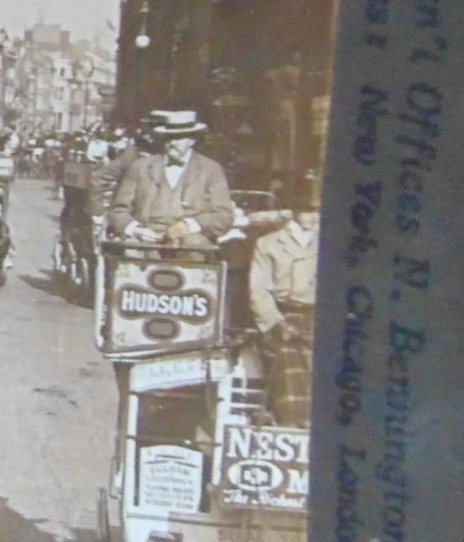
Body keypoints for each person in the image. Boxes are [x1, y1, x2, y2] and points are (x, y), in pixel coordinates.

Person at [248, 172, 322, 427]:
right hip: (281, 317)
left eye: (318, 211)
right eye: (308, 211)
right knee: (287, 356)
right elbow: (258, 291)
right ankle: (295, 423)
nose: (314, 217)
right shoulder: (268, 244)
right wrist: (276, 323)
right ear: (294, 211)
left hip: (316, 317)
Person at [107, 111, 235, 249]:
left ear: (192, 140)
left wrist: (188, 226)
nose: (173, 143)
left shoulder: (211, 170)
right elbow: (118, 210)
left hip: (190, 245)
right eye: (169, 137)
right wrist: (136, 230)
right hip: (145, 240)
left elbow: (224, 215)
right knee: (130, 250)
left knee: (195, 245)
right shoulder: (140, 167)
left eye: (179, 138)